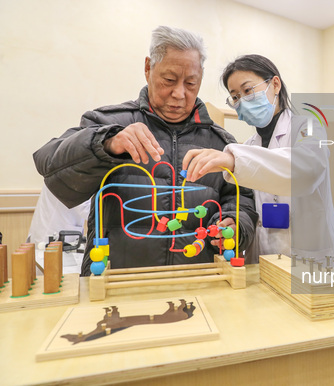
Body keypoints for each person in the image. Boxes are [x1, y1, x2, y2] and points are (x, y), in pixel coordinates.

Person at [33, 26, 257, 275]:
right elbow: (50, 165)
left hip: (199, 283)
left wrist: (235, 224)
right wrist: (106, 144)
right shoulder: (108, 123)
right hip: (118, 284)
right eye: (169, 80)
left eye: (191, 83)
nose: (180, 94)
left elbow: (241, 200)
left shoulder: (220, 141)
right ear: (148, 68)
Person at [182, 54, 334, 265]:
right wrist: (233, 222)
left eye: (247, 90)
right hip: (264, 259)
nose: (242, 101)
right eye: (236, 97)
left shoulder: (308, 127)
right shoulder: (248, 146)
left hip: (311, 260)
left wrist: (232, 161)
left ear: (275, 84)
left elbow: (308, 169)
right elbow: (247, 205)